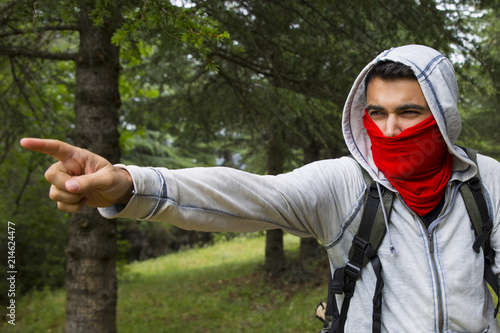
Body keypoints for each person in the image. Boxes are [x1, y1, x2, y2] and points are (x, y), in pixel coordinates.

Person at [21, 44, 500, 332]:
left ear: (443, 115)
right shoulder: (345, 185)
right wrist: (130, 186)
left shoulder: (488, 184)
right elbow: (244, 193)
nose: (390, 130)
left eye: (409, 112)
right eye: (377, 113)